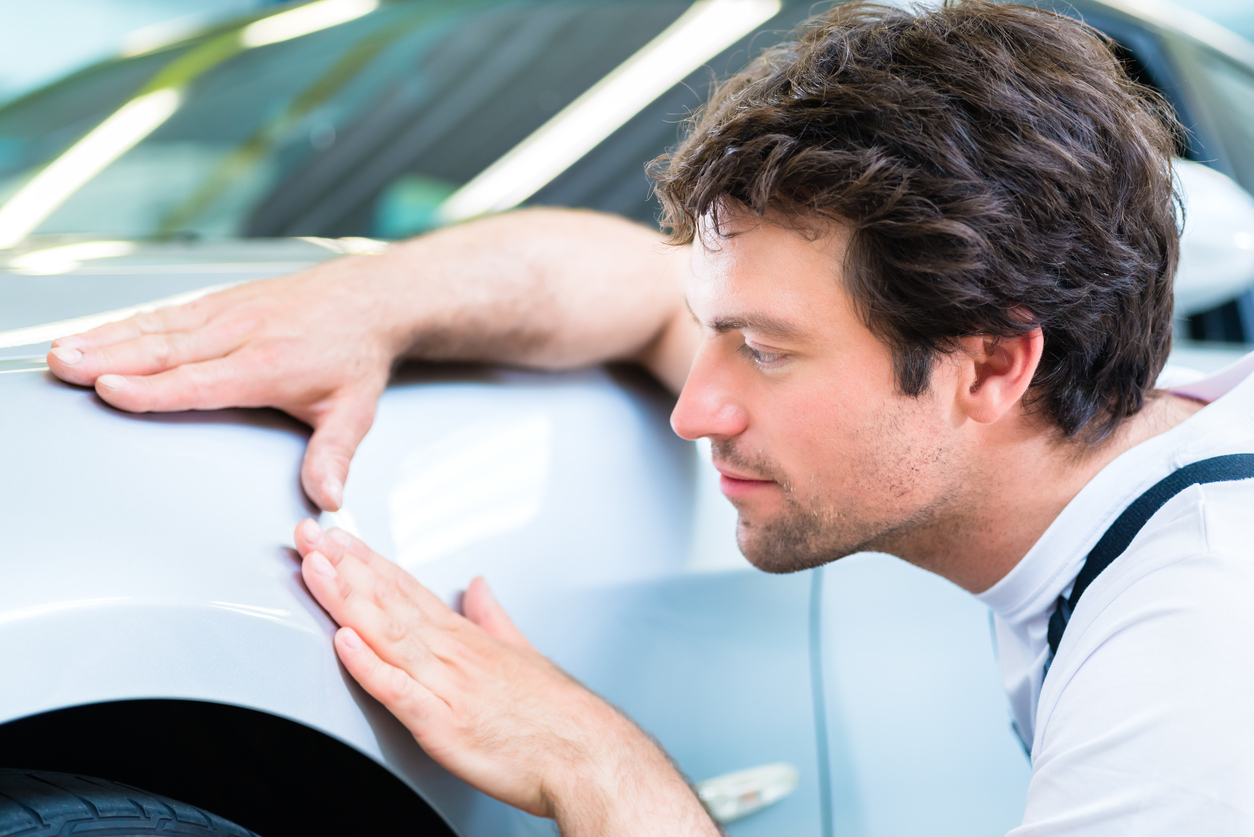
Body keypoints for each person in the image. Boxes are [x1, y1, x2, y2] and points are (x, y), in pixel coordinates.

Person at [45, 1, 1254, 833]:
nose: (694, 406)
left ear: (990, 365)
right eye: (717, 327)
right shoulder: (1117, 473)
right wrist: (372, 298)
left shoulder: (1198, 659)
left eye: (764, 351)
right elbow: (629, 283)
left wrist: (596, 766)